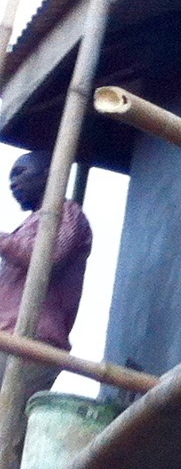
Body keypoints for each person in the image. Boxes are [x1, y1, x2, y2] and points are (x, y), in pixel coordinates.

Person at [0, 150, 91, 350]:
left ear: (48, 173)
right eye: (10, 178)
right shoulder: (33, 221)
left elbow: (47, 257)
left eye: (20, 172)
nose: (12, 183)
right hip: (9, 336)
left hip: (31, 338)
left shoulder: (65, 212)